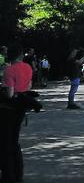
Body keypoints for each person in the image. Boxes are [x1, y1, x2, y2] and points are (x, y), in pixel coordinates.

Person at [1, 47, 33, 182]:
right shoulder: (28, 68)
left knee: (5, 143)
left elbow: (9, 93)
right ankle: (18, 173)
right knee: (15, 142)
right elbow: (29, 86)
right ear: (21, 54)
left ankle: (9, 175)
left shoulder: (9, 70)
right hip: (22, 107)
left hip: (8, 109)